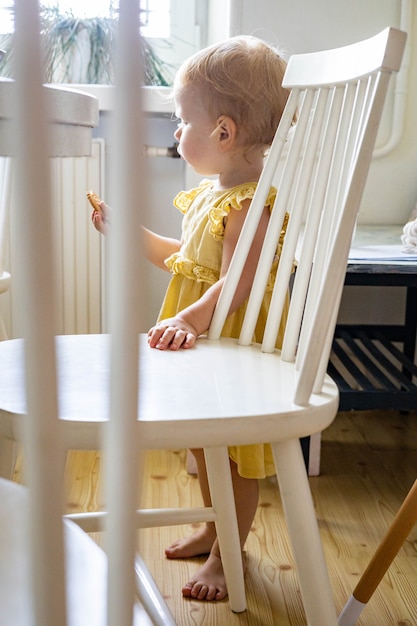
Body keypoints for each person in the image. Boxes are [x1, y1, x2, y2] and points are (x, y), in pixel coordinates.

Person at [92, 35, 290, 603]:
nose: (177, 132)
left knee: (230, 458)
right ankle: (213, 526)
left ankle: (230, 557)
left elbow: (238, 283)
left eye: (182, 121)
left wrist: (194, 318)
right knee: (205, 449)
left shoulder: (253, 204)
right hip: (211, 344)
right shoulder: (214, 194)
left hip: (236, 348)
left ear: (223, 133)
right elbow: (183, 258)